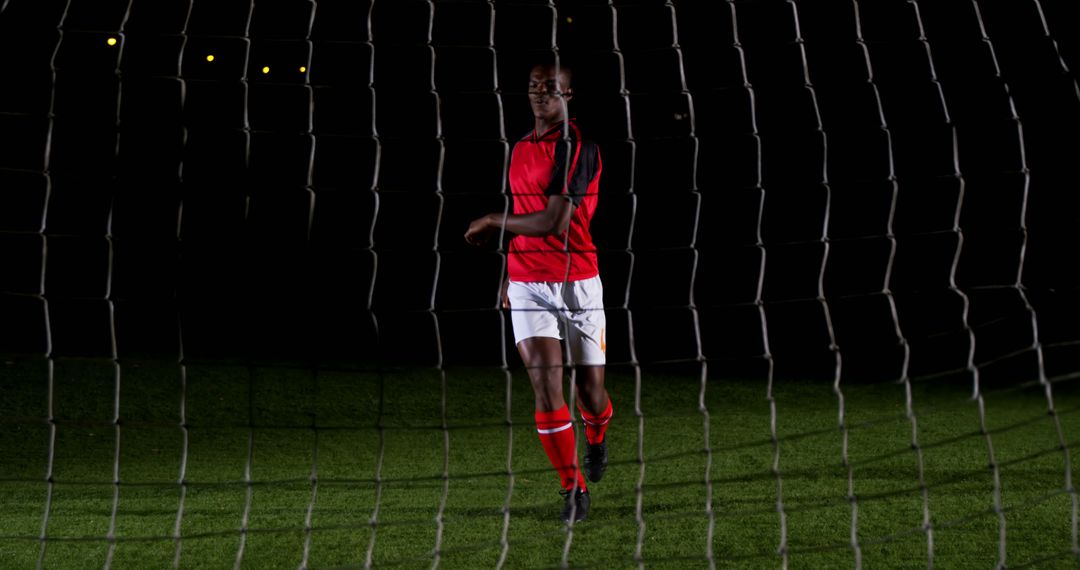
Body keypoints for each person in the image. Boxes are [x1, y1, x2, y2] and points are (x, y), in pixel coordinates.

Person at [464, 61, 612, 524]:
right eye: (533, 87)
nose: (539, 95)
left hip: (579, 280)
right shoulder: (521, 147)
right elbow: (523, 213)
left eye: (551, 89)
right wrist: (509, 270)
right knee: (546, 385)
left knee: (590, 393)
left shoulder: (578, 147)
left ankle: (596, 435)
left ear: (569, 95)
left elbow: (553, 221)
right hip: (529, 280)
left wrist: (492, 221)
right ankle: (573, 487)